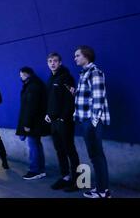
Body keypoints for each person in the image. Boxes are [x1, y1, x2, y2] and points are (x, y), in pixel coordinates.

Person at [73, 46, 111, 199]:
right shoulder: (85, 74)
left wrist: (92, 122)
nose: (75, 58)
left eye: (77, 55)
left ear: (86, 56)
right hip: (86, 120)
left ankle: (103, 191)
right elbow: (89, 96)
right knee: (94, 156)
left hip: (91, 121)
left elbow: (99, 99)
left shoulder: (95, 73)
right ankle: (101, 189)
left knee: (97, 156)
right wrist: (75, 93)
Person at [45, 53, 80, 191]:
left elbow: (69, 101)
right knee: (59, 150)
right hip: (53, 122)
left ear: (60, 62)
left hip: (64, 121)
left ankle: (76, 181)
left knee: (69, 150)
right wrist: (48, 114)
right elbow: (51, 100)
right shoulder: (51, 79)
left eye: (55, 61)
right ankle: (65, 177)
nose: (52, 63)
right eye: (49, 61)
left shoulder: (67, 78)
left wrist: (63, 117)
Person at [16, 67, 50, 180]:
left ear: (26, 74)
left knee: (33, 146)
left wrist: (27, 124)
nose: (20, 77)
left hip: (33, 124)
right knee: (37, 145)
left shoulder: (32, 86)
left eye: (21, 75)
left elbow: (31, 107)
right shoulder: (35, 84)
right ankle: (41, 170)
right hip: (37, 123)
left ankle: (35, 170)